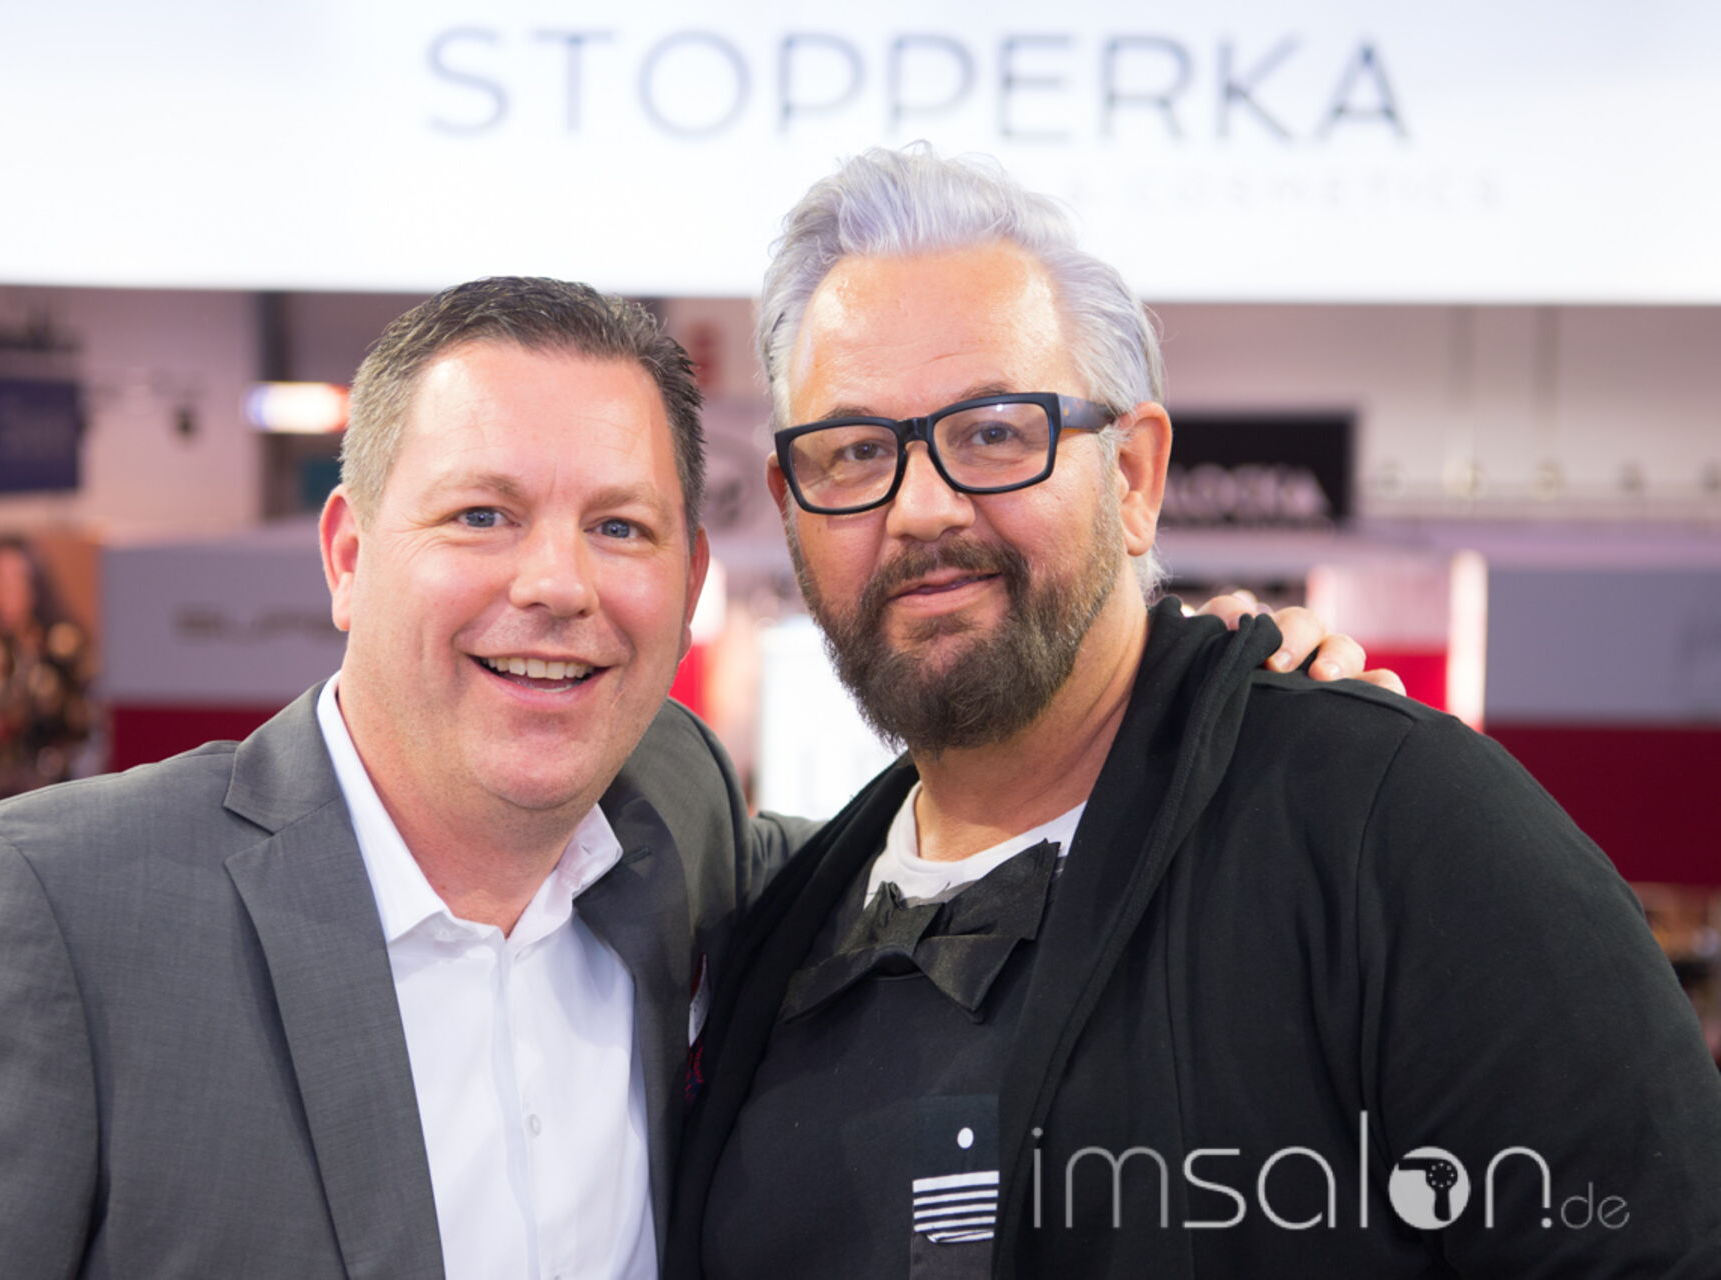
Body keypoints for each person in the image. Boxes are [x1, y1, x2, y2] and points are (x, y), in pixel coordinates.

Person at [0, 275, 1376, 1277]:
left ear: (688, 586)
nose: (555, 586)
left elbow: (984, 852)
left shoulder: (684, 833)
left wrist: (1200, 697)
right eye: (481, 515)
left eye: (618, 527)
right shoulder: (53, 913)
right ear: (348, 555)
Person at [670, 147, 1721, 1279]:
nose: (921, 508)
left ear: (1133, 477)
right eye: (855, 451)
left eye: (995, 432)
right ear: (790, 504)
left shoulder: (1389, 826)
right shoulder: (770, 930)